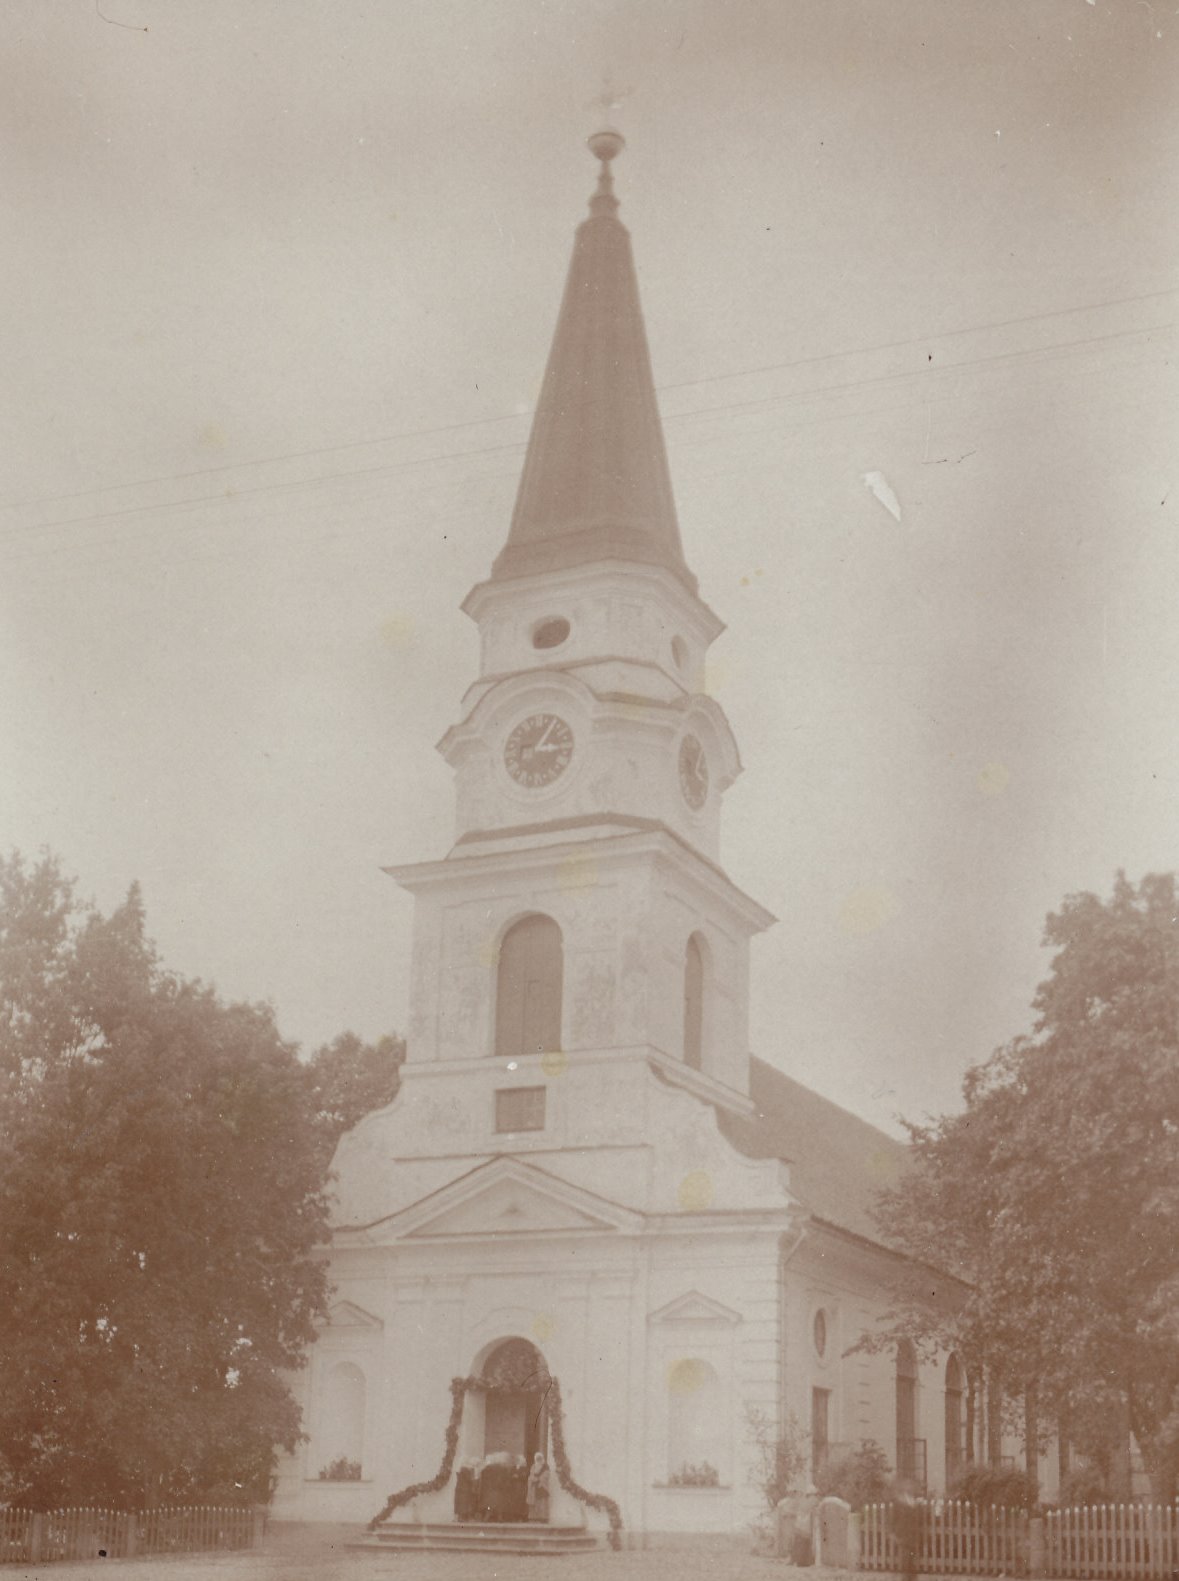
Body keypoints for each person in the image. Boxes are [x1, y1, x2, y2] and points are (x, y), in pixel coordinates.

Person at [526, 1451, 551, 1523]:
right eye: (537, 1458)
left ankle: (542, 1518)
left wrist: (539, 1479)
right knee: (534, 1503)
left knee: (542, 1503)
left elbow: (546, 1475)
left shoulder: (545, 1467)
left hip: (542, 1488)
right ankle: (533, 1518)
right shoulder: (533, 1466)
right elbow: (531, 1476)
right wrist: (533, 1479)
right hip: (534, 1488)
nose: (539, 1460)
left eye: (540, 1458)